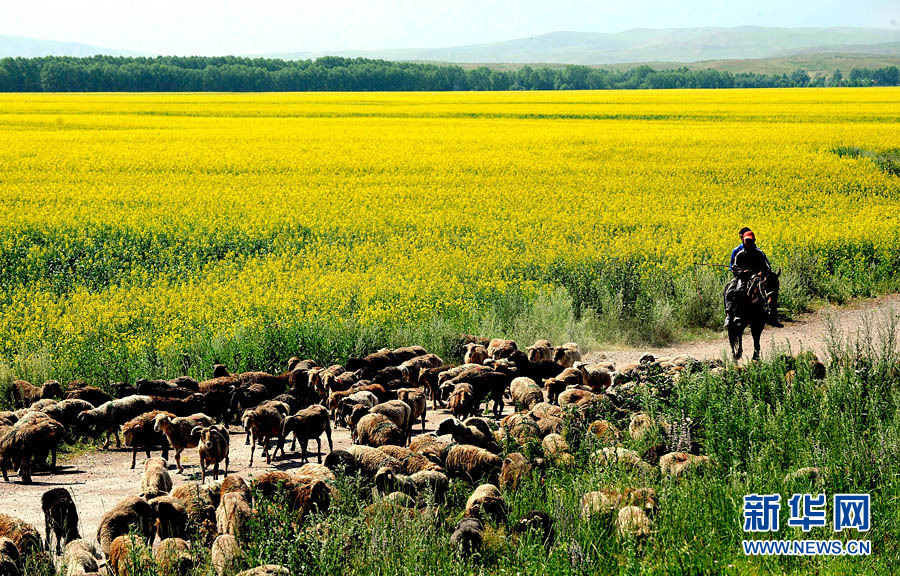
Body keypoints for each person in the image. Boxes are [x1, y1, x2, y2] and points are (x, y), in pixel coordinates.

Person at [724, 228, 783, 328]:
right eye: (747, 240)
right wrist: (742, 272)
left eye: (751, 240)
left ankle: (772, 316)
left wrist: (761, 272)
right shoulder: (739, 253)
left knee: (771, 290)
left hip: (758, 277)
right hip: (743, 278)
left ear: (754, 240)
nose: (749, 242)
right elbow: (734, 268)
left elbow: (767, 267)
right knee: (733, 290)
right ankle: (731, 315)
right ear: (743, 240)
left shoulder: (759, 253)